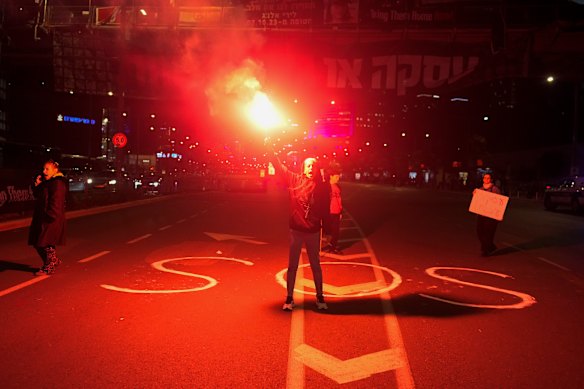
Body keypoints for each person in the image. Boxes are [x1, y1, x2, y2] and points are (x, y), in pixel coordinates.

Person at [266, 141, 328, 311]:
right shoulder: (294, 179)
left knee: (315, 265)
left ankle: (320, 297)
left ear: (317, 169)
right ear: (303, 168)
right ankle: (289, 297)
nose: (310, 169)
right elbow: (279, 166)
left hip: (313, 232)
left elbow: (325, 209)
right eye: (308, 166)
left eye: (314, 166)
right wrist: (269, 149)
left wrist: (327, 230)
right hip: (296, 231)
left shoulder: (321, 187)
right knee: (292, 265)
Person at [28, 160, 68, 276]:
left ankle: (49, 265)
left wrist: (51, 216)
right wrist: (38, 185)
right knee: (44, 242)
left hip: (51, 218)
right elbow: (39, 196)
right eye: (44, 169)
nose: (44, 171)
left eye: (47, 169)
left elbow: (56, 200)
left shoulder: (57, 183)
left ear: (55, 170)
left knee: (43, 242)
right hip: (44, 217)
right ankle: (52, 261)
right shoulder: (49, 182)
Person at [474, 173, 500, 256]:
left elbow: (499, 203)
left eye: (488, 178)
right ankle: (490, 246)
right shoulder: (480, 189)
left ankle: (485, 251)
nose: (486, 179)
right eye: (485, 178)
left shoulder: (495, 189)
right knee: (479, 231)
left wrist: (499, 215)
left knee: (488, 233)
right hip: (481, 215)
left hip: (490, 216)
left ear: (491, 180)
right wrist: (475, 195)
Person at [322, 164, 343, 254]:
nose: (338, 178)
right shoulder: (326, 187)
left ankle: (332, 247)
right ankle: (323, 245)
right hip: (329, 212)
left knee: (336, 231)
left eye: (338, 176)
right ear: (331, 176)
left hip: (336, 212)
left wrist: (340, 211)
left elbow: (339, 200)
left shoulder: (338, 187)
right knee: (327, 230)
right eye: (336, 176)